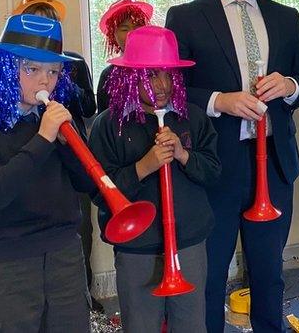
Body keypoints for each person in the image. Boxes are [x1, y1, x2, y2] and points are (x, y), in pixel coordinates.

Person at [165, 0, 299, 333]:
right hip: (216, 166)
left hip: (275, 165)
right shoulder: (186, 17)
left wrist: (288, 86)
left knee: (269, 275)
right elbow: (173, 92)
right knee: (211, 275)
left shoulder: (286, 17)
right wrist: (221, 101)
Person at [0, 14, 95, 332]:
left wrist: (65, 143)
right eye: (31, 69)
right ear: (6, 69)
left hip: (64, 256)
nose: (44, 81)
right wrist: (43, 139)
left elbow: (87, 183)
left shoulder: (58, 121)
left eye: (53, 71)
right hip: (9, 263)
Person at [89, 26, 221, 332]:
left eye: (166, 74)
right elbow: (100, 192)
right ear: (130, 77)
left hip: (189, 242)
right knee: (141, 323)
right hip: (138, 246)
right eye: (150, 75)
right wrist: (144, 166)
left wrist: (184, 155)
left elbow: (214, 172)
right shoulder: (108, 125)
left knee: (190, 322)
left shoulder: (192, 116)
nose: (161, 85)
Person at [13, 0, 101, 307]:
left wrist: (62, 83)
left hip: (69, 148)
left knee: (80, 225)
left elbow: (90, 106)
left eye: (49, 21)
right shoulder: (15, 66)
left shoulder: (72, 62)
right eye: (36, 21)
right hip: (33, 151)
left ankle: (83, 292)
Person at [95, 0, 153, 111]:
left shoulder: (159, 69)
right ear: (113, 36)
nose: (132, 33)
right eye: (124, 29)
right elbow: (104, 120)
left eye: (138, 26)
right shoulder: (108, 76)